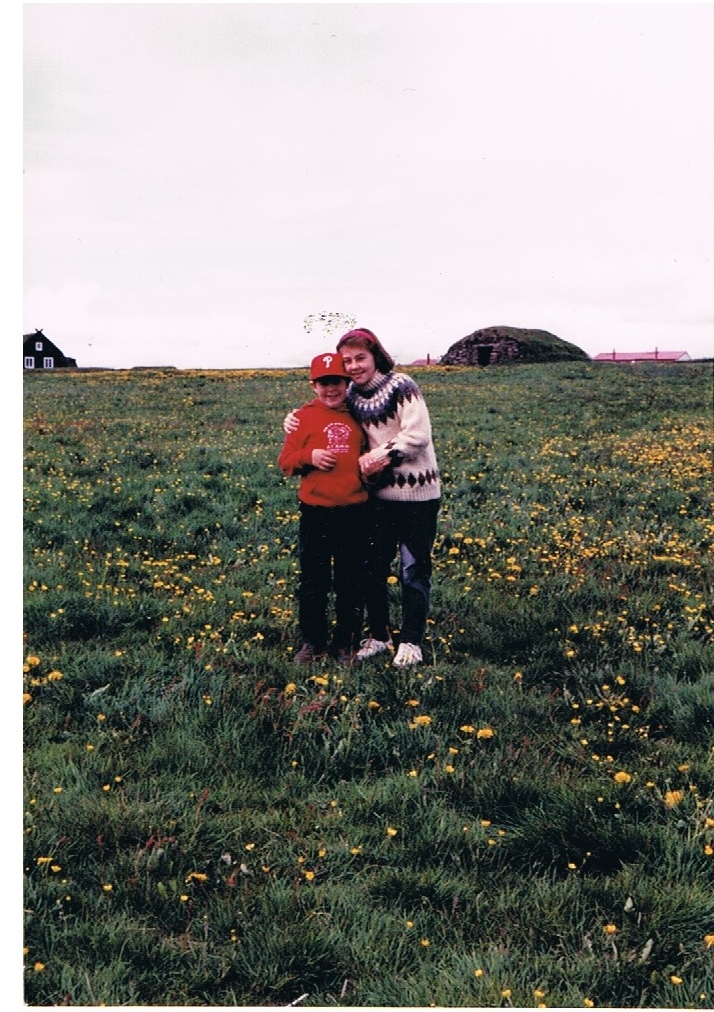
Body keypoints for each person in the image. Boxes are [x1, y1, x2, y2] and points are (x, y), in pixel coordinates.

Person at [284, 328, 441, 668]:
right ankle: (380, 636)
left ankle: (411, 641)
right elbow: (323, 413)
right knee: (371, 569)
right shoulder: (352, 394)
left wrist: (377, 457)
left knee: (413, 569)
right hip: (378, 495)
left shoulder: (401, 386)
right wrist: (294, 419)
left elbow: (417, 435)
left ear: (376, 356)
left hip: (417, 494)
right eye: (348, 360)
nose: (354, 366)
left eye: (361, 358)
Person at [278, 352, 370, 666]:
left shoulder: (359, 416)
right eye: (324, 383)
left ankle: (346, 642)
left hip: (354, 511)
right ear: (313, 385)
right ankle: (313, 641)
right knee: (313, 580)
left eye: (337, 382)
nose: (331, 389)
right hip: (315, 512)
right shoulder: (303, 418)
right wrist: (309, 456)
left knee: (350, 580)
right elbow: (286, 462)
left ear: (347, 383)